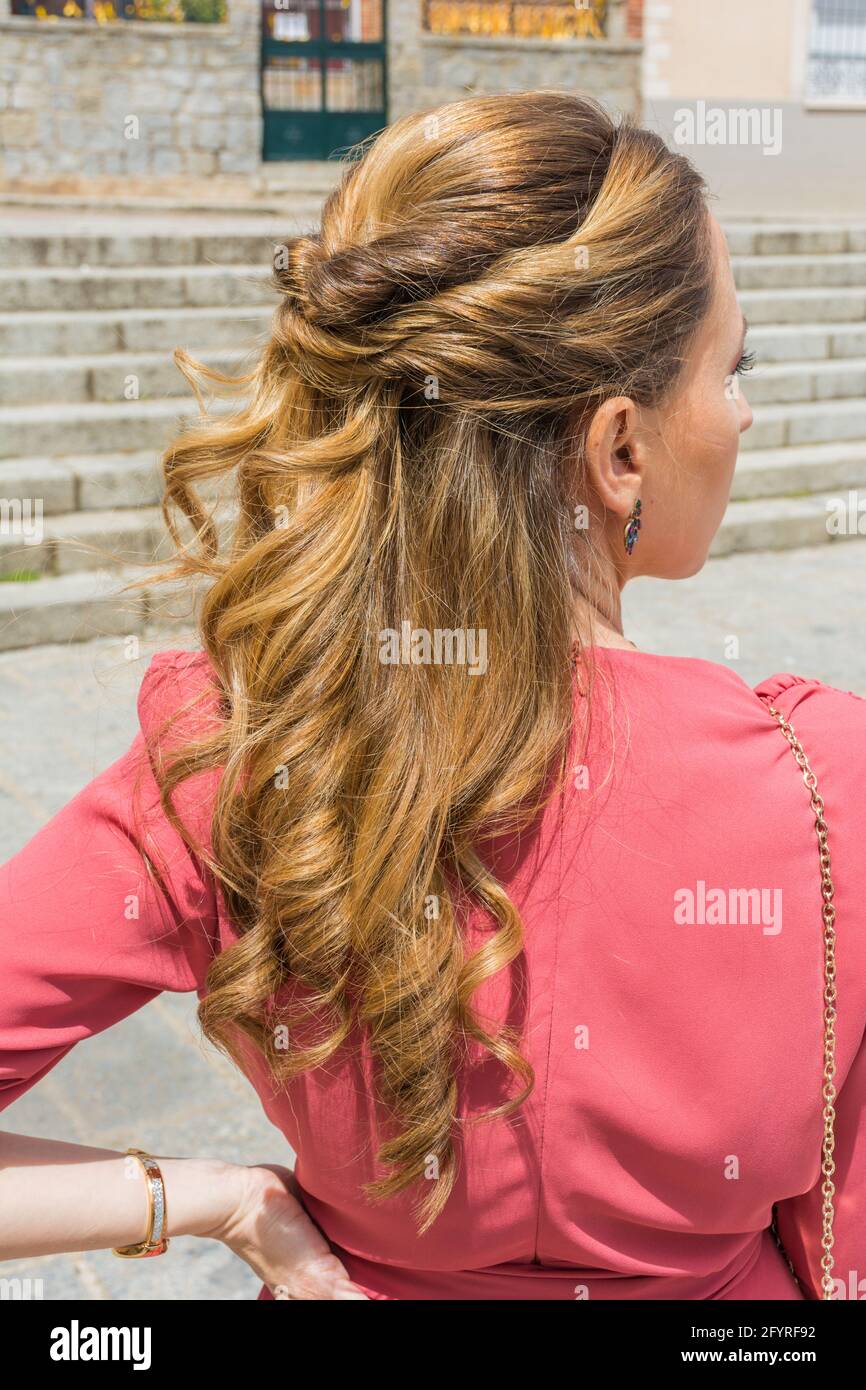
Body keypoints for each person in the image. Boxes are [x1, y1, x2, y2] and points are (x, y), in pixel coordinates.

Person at [1, 91, 863, 1301]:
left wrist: (203, 1197)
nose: (744, 410)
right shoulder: (828, 787)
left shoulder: (241, 755)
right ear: (617, 450)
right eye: (732, 365)